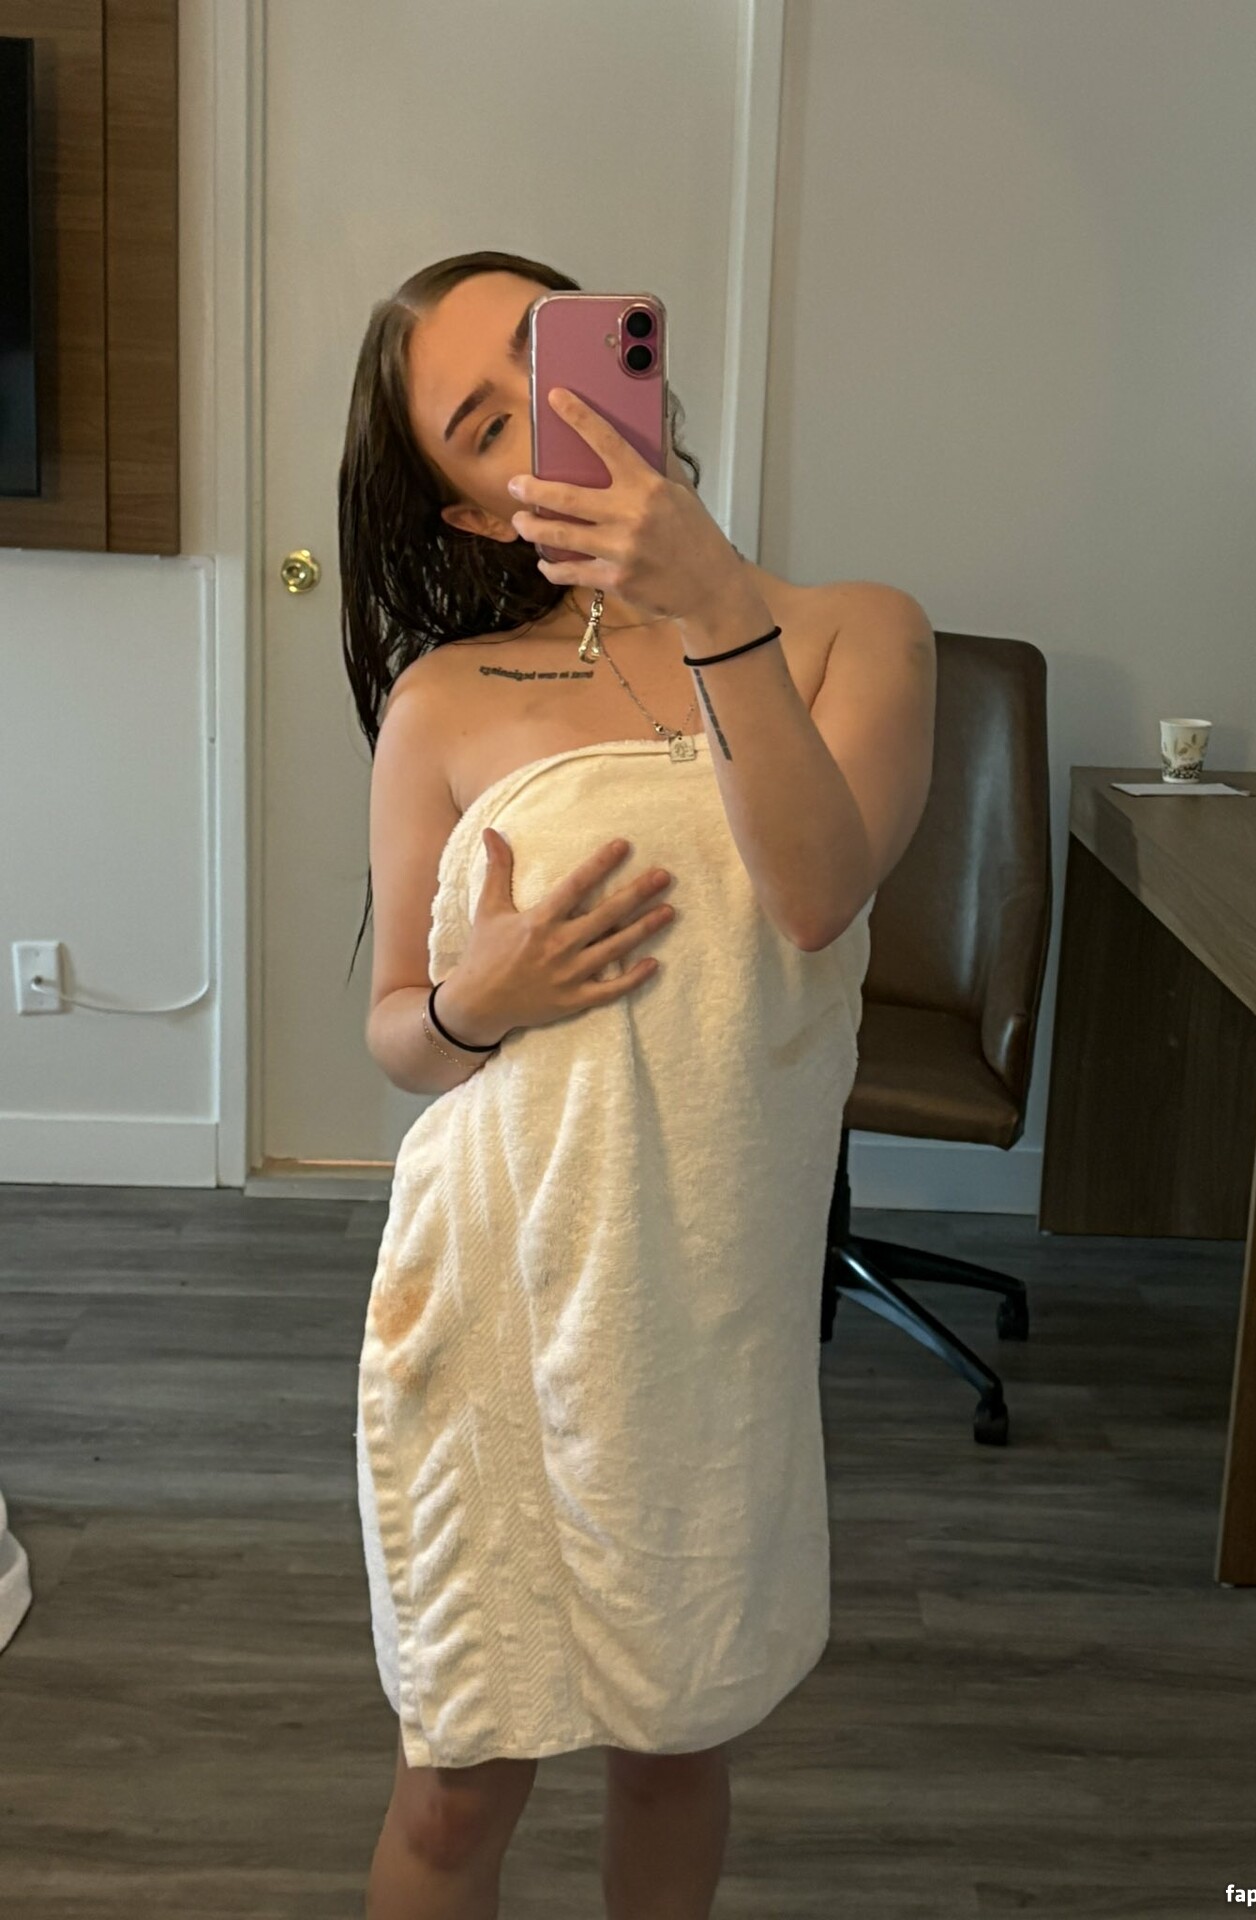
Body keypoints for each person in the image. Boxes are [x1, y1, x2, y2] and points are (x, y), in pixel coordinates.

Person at [339, 248, 935, 1920]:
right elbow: (396, 1035)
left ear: (634, 361)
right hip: (493, 1286)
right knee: (456, 1783)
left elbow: (813, 897)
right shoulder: (444, 703)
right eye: (483, 422)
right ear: (473, 511)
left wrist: (717, 607)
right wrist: (476, 1002)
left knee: (677, 1745)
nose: (545, 412)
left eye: (549, 355)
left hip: (708, 1304)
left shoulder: (858, 634)